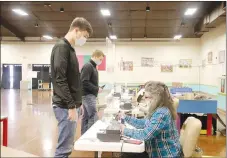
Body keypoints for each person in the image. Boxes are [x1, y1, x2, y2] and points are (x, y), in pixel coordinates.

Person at [50, 17, 93, 158]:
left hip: (71, 105)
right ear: (76, 30)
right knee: (64, 149)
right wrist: (71, 105)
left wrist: (78, 102)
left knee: (67, 147)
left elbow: (73, 80)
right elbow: (60, 79)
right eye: (85, 36)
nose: (85, 40)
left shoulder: (71, 49)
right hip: (64, 106)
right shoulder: (61, 47)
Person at [118, 81, 184, 158]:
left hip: (166, 154)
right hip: (157, 151)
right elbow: (144, 123)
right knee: (126, 154)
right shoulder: (158, 109)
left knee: (126, 155)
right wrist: (126, 117)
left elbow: (145, 135)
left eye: (146, 97)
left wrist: (124, 130)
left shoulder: (161, 113)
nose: (144, 99)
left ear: (156, 98)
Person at [80, 50, 105, 135]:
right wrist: (96, 89)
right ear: (95, 56)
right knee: (93, 116)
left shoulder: (93, 67)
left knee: (86, 116)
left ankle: (84, 135)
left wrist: (97, 88)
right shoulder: (88, 66)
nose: (101, 61)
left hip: (89, 95)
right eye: (100, 59)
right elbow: (84, 82)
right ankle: (90, 136)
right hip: (88, 95)